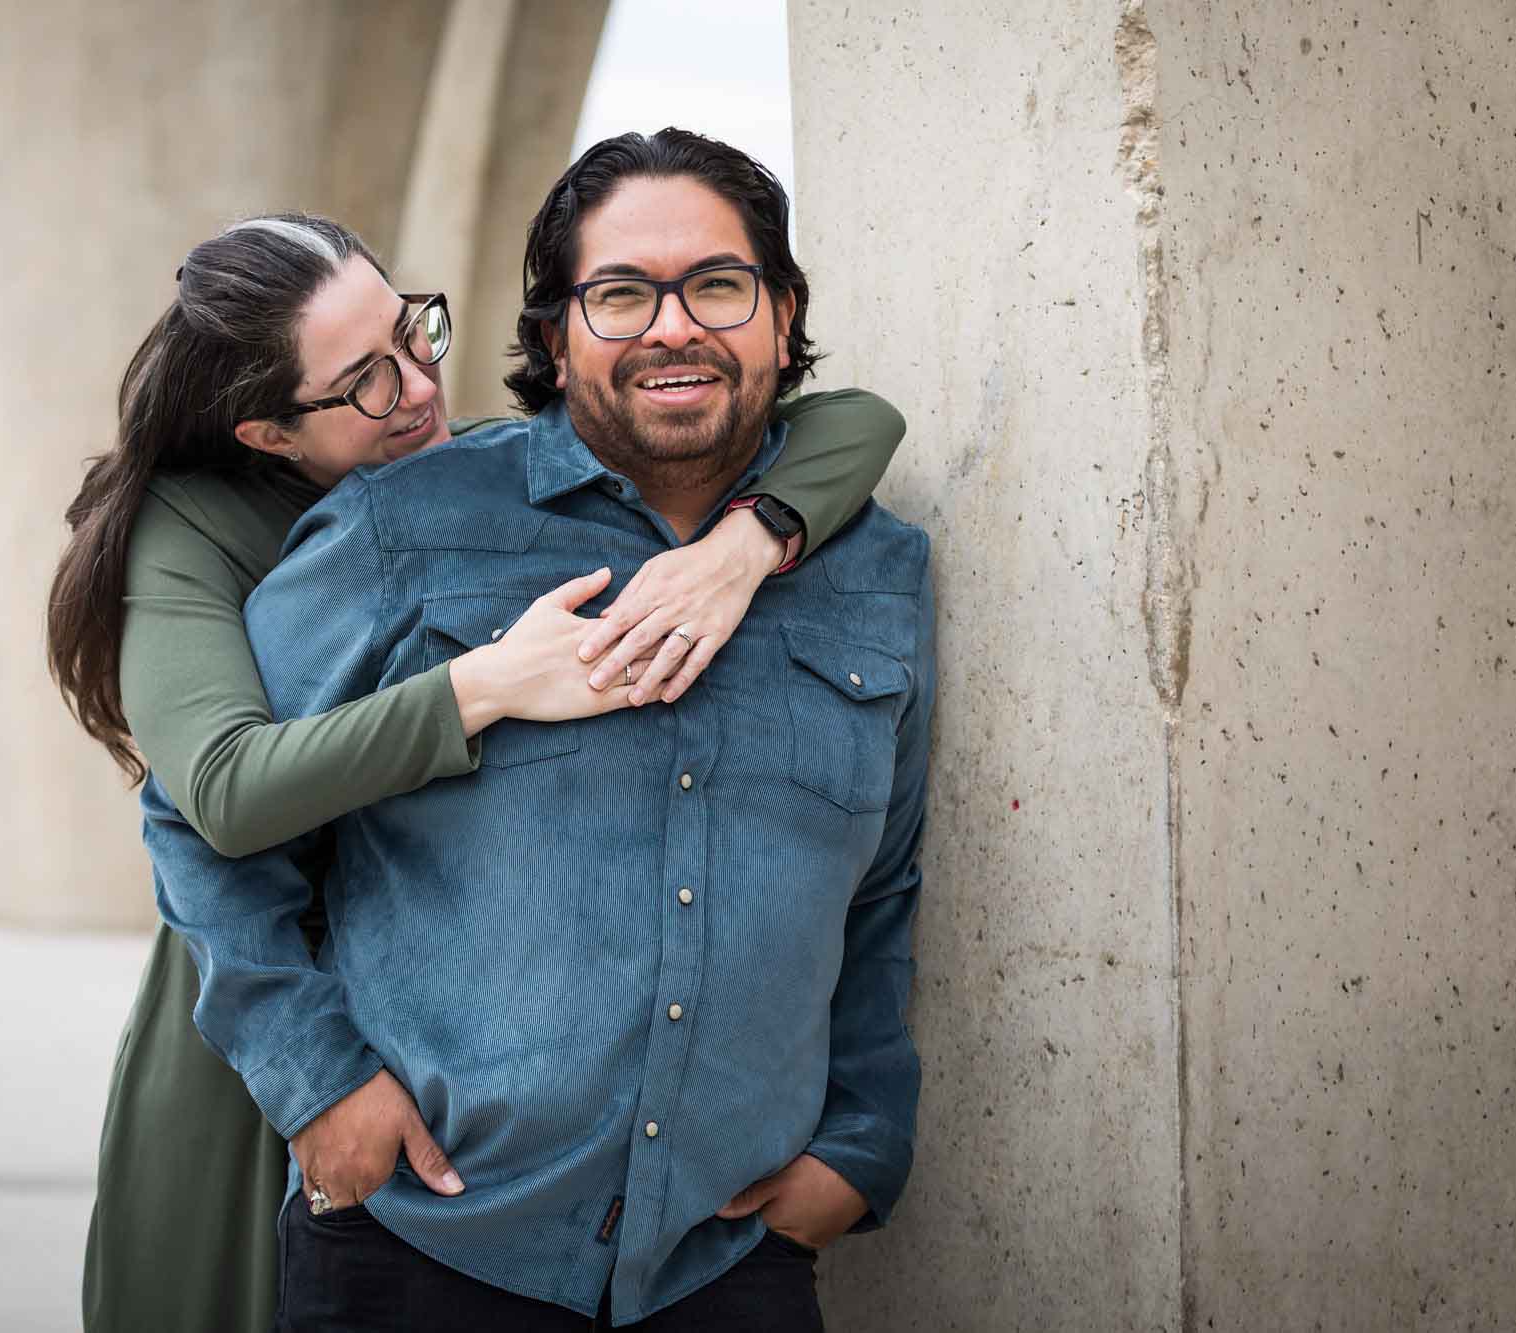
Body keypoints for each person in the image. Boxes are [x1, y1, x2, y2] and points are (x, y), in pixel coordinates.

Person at [47, 213, 906, 1330]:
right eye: (363, 380)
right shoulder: (188, 529)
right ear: (265, 433)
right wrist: (487, 685)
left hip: (449, 1009)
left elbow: (855, 419)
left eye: (414, 336)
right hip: (264, 994)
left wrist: (742, 546)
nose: (414, 388)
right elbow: (219, 793)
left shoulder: (452, 475)